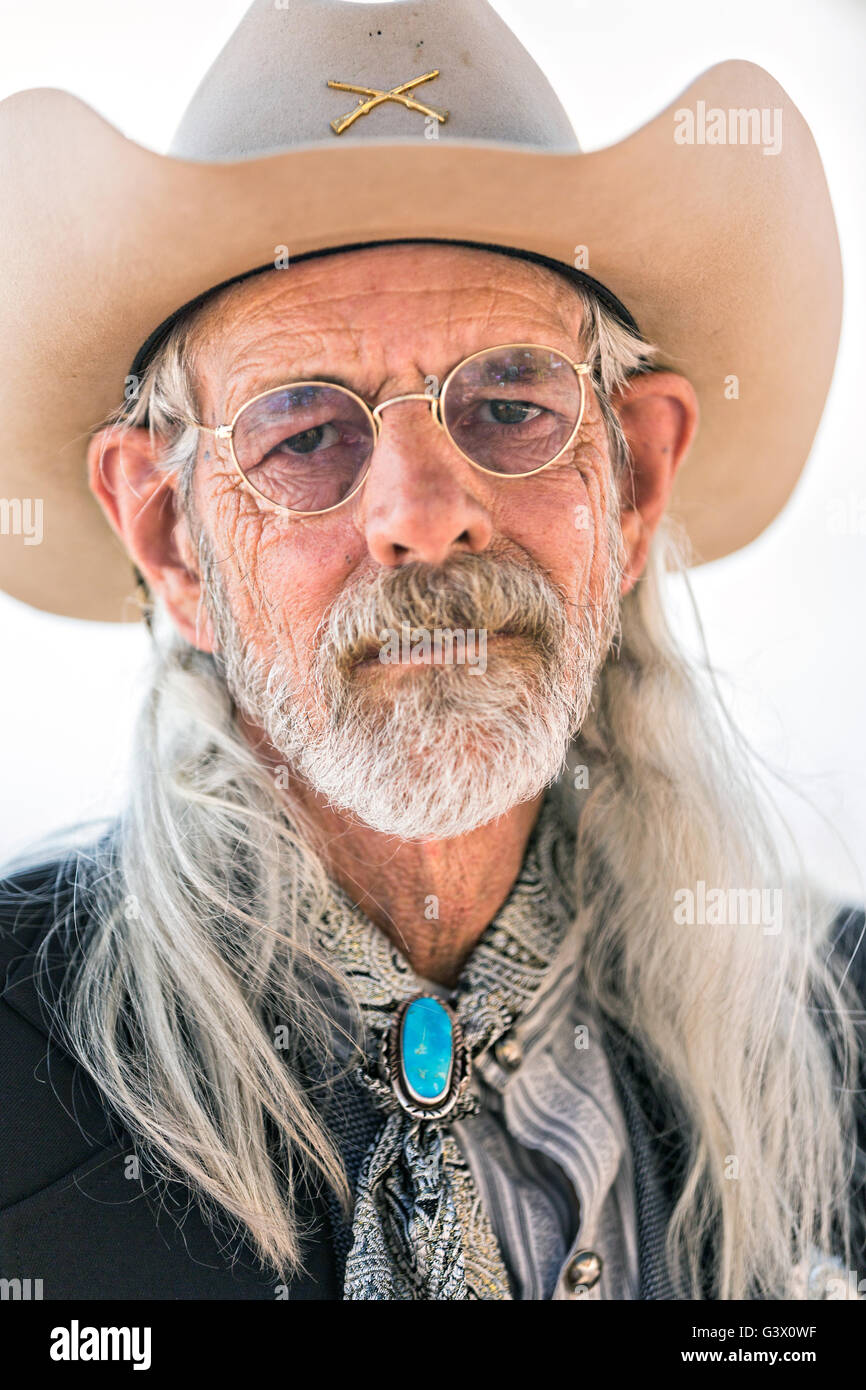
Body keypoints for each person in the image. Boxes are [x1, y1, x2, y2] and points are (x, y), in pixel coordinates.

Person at [0, 0, 862, 1301]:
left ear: (631, 484)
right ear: (170, 536)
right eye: (304, 435)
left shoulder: (837, 1054)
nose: (419, 513)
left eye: (511, 404)